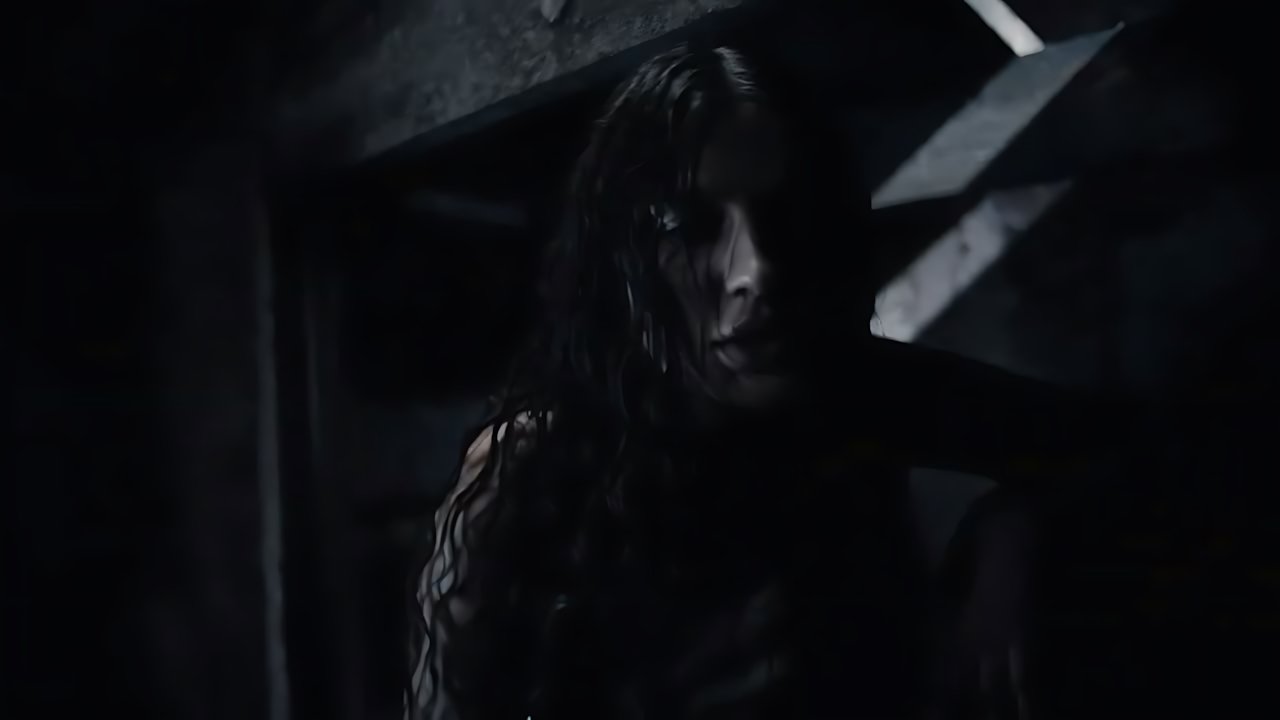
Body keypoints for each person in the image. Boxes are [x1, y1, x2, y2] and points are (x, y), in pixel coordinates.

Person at [406, 44, 1115, 720]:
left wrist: (1006, 537)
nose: (757, 271)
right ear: (625, 259)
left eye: (784, 217)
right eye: (692, 227)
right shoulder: (530, 469)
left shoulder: (844, 390)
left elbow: (1096, 442)